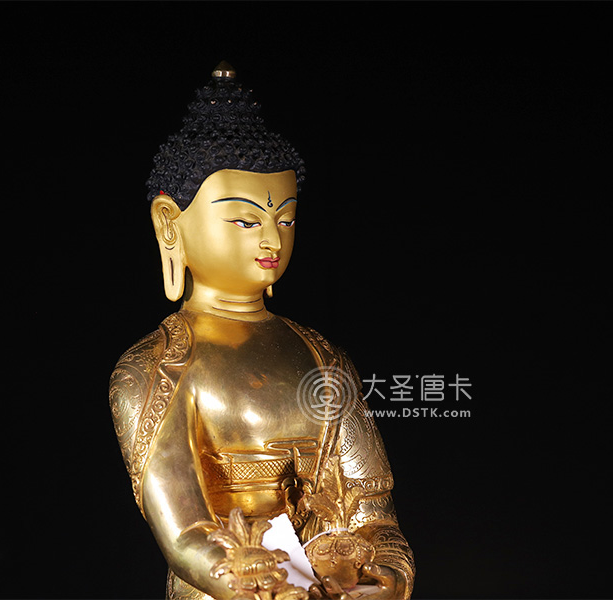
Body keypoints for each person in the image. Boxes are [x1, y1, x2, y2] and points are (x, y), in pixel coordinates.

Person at [110, 63, 414, 600]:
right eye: (246, 221)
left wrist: (382, 574)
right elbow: (185, 534)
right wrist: (255, 580)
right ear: (169, 223)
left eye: (286, 219)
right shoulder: (154, 368)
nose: (271, 238)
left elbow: (372, 507)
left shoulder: (322, 358)